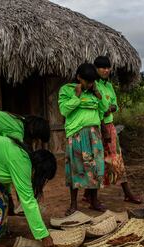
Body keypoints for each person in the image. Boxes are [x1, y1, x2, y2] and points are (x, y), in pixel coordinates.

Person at [83, 56, 141, 204]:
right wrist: (105, 118)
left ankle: (125, 193)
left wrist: (110, 108)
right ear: (95, 68)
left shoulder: (108, 85)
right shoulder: (92, 85)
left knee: (115, 159)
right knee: (97, 160)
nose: (106, 70)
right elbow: (96, 108)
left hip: (110, 126)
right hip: (98, 127)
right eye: (102, 67)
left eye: (108, 67)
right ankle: (90, 195)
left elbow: (115, 105)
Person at [58, 63, 109, 215]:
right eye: (87, 81)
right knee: (75, 168)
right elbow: (64, 110)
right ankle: (73, 204)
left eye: (92, 81)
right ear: (79, 77)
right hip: (76, 134)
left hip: (94, 134)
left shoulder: (95, 91)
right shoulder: (67, 90)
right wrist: (77, 96)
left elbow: (104, 110)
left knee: (96, 167)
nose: (90, 84)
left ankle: (94, 201)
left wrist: (99, 96)